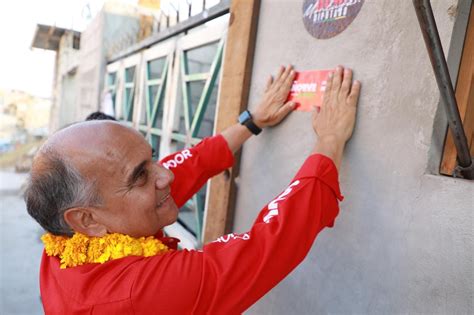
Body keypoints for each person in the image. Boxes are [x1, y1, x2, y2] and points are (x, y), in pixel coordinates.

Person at [25, 65, 360, 314]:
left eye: (152, 158)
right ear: (86, 219)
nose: (164, 176)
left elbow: (187, 165)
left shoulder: (71, 237)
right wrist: (330, 139)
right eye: (141, 176)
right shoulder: (140, 295)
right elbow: (270, 244)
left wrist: (251, 121)